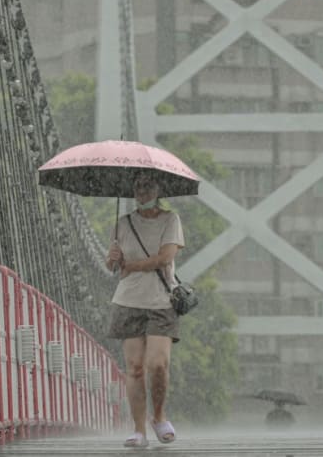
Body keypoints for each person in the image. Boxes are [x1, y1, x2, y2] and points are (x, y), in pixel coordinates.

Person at [105, 173, 184, 449]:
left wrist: (132, 266)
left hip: (161, 302)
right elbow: (112, 267)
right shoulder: (123, 223)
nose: (142, 191)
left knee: (158, 364)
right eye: (137, 186)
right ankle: (139, 430)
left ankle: (159, 416)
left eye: (148, 185)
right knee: (135, 368)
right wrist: (113, 260)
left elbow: (165, 258)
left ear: (159, 189)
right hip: (128, 301)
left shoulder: (170, 220)